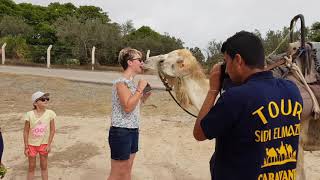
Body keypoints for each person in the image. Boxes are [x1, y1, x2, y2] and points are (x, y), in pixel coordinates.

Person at [193, 31, 303, 180]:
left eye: (227, 62)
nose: (225, 70)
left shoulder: (235, 97)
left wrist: (213, 90)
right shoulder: (292, 90)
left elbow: (199, 133)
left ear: (238, 60)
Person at [107, 48, 151, 180]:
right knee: (117, 174)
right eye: (139, 60)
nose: (142, 63)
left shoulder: (130, 83)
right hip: (121, 131)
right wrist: (140, 89)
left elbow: (134, 104)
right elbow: (127, 107)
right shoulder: (121, 82)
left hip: (132, 130)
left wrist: (145, 96)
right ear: (130, 62)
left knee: (127, 171)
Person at [23, 91, 56, 180]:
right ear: (35, 103)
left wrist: (49, 145)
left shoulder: (50, 113)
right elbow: (25, 131)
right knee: (31, 167)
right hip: (31, 145)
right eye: (42, 99)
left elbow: (53, 130)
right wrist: (26, 147)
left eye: (47, 99)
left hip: (44, 145)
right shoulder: (29, 114)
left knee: (44, 167)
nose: (46, 100)